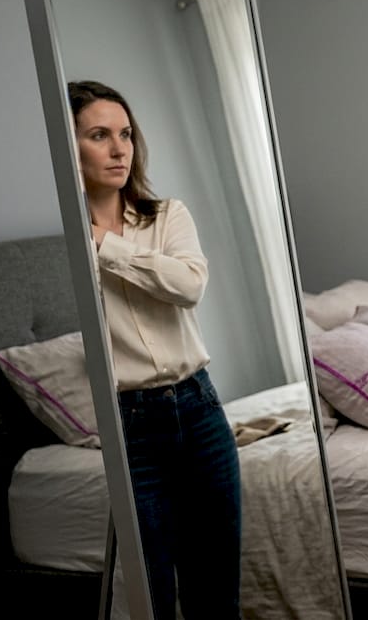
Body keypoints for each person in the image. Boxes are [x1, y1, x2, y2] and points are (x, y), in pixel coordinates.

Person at [70, 80, 241, 618]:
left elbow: (189, 286)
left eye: (125, 134)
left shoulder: (168, 216)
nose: (120, 149)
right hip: (130, 428)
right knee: (155, 599)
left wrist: (106, 246)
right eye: (100, 135)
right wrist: (85, 241)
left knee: (217, 594)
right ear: (67, 145)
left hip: (200, 410)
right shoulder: (62, 243)